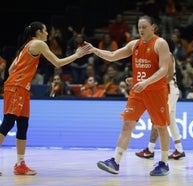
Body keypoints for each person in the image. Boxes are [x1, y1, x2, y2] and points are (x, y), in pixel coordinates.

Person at [0, 21, 90, 176]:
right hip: (16, 87)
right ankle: (19, 163)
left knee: (23, 125)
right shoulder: (39, 44)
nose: (48, 33)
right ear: (39, 32)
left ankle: (20, 164)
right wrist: (78, 54)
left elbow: (11, 68)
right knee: (8, 122)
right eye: (46, 31)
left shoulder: (26, 46)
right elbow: (57, 62)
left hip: (21, 87)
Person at [87, 15, 171, 176]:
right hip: (137, 92)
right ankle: (115, 162)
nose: (141, 30)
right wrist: (94, 50)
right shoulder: (135, 45)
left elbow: (163, 70)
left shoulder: (160, 43)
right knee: (127, 125)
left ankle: (164, 163)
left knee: (161, 127)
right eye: (139, 27)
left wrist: (145, 82)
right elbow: (112, 56)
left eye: (145, 27)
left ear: (153, 27)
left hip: (156, 92)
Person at [135, 38, 185, 160]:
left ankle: (150, 149)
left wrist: (150, 84)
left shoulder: (167, 55)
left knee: (158, 120)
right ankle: (179, 150)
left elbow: (167, 78)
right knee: (171, 121)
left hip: (169, 90)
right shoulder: (166, 55)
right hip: (172, 90)